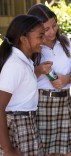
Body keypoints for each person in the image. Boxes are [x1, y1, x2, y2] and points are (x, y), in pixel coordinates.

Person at [27, 4, 71, 156]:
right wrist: (39, 70)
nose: (52, 31)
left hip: (66, 104)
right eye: (46, 29)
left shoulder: (65, 42)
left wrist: (69, 78)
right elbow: (22, 80)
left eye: (54, 25)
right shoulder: (32, 48)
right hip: (42, 106)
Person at [0, 14, 44, 155]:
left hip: (26, 124)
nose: (43, 40)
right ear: (24, 39)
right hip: (18, 127)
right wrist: (8, 150)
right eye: (40, 36)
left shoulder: (24, 61)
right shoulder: (15, 64)